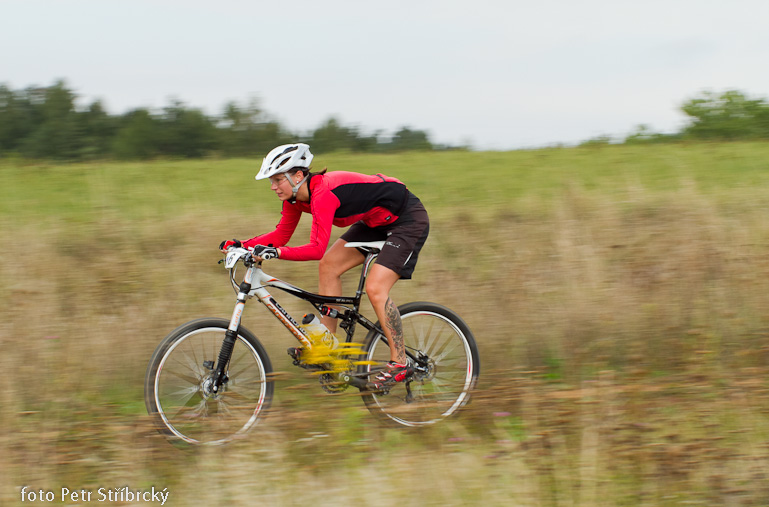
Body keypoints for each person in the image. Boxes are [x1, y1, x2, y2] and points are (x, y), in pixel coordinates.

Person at [220, 143, 430, 389]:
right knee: (328, 266)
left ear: (298, 175)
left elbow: (315, 248)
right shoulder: (295, 198)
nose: (273, 186)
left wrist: (275, 253)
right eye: (271, 181)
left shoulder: (322, 194)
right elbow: (281, 235)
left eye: (278, 180)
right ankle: (330, 346)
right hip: (374, 222)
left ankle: (401, 362)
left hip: (407, 219)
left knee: (376, 288)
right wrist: (244, 245)